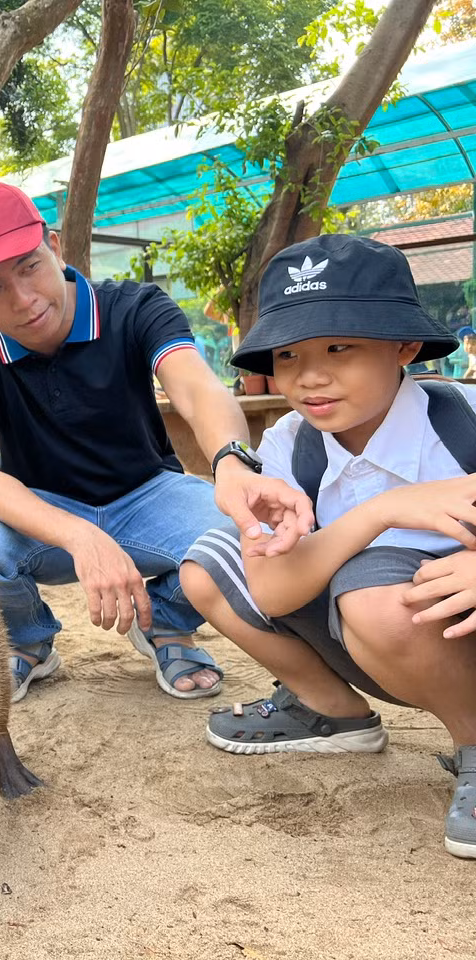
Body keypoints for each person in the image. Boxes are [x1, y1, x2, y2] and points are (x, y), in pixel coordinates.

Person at [0, 180, 312, 703]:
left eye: (29, 266)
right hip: (40, 511)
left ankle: (168, 624)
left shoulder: (136, 307)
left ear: (56, 248)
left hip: (146, 496)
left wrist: (231, 462)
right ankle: (28, 642)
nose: (23, 300)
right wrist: (82, 538)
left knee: (246, 528)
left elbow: (198, 391)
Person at [178, 233, 476, 859]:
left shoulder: (462, 421)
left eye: (340, 347)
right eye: (287, 354)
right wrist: (382, 511)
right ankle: (331, 711)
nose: (310, 377)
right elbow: (271, 590)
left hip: (447, 628)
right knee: (211, 564)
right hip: (384, 637)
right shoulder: (292, 443)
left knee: (370, 595)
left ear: (405, 345)